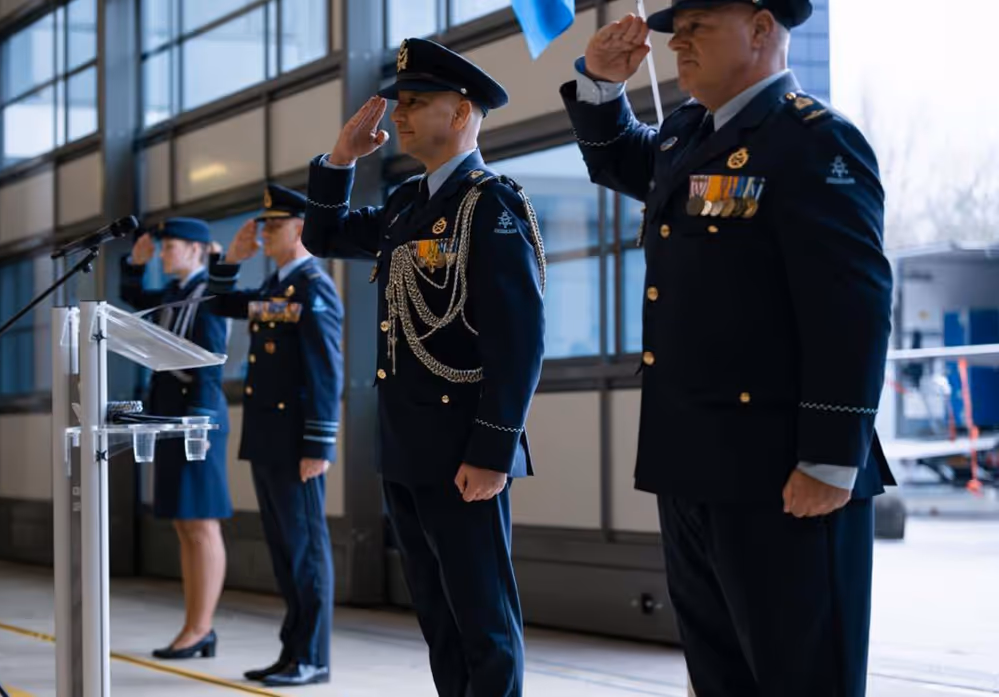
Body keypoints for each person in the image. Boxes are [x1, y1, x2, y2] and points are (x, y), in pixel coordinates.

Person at [560, 2, 894, 695]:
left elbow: (851, 309)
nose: (677, 44)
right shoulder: (686, 134)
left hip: (782, 474)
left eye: (696, 29)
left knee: (801, 677)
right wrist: (599, 83)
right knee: (719, 676)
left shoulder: (812, 142)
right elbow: (617, 159)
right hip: (691, 465)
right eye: (674, 33)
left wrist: (830, 458)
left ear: (762, 29)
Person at [301, 38, 546, 697]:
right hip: (406, 445)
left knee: (481, 617)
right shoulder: (410, 203)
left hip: (464, 446)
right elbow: (322, 235)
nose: (399, 115)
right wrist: (339, 160)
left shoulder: (489, 205)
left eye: (415, 103)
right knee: (439, 618)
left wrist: (494, 450)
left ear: (461, 111)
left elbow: (517, 340)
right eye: (399, 103)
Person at [206, 183, 343, 687]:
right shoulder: (274, 287)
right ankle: (293, 654)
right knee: (287, 555)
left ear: (301, 229)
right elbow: (217, 305)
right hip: (266, 437)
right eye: (262, 225)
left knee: (306, 551)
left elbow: (326, 372)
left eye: (273, 225)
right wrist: (231, 260)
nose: (263, 233)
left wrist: (319, 445)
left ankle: (313, 657)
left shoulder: (313, 287)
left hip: (295, 442)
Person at [119, 218, 232, 660]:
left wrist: (199, 422)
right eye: (163, 248)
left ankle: (200, 628)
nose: (164, 254)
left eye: (171, 247)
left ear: (196, 250)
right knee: (185, 523)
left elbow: (211, 360)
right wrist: (135, 264)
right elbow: (134, 299)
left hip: (195, 413)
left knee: (201, 522)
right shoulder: (175, 292)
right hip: (170, 412)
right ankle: (194, 624)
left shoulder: (211, 294)